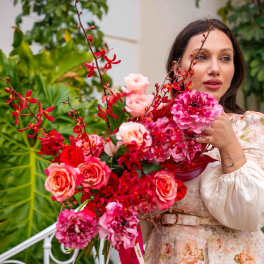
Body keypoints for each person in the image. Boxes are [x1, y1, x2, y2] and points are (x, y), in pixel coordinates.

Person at [143, 18, 264, 263]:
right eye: (201, 57)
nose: (215, 69)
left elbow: (251, 213)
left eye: (225, 58)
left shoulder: (251, 127)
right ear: (177, 69)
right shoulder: (154, 128)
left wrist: (228, 143)